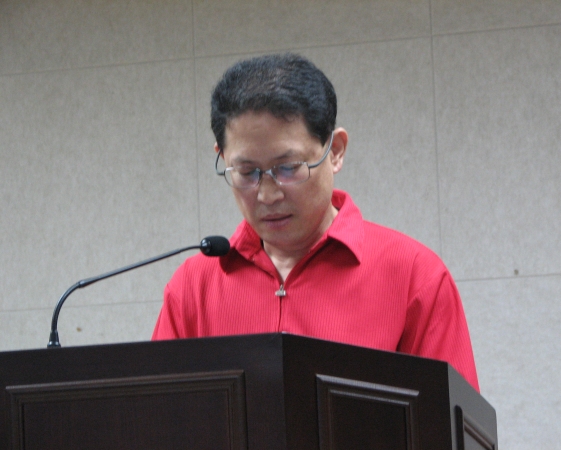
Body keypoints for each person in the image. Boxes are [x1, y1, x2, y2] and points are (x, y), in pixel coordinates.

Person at [152, 53, 479, 392]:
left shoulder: (414, 277)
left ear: (335, 150)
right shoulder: (193, 288)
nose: (267, 194)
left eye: (288, 168)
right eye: (247, 172)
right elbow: (160, 414)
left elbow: (449, 417)